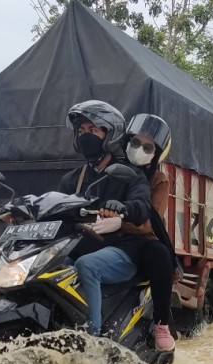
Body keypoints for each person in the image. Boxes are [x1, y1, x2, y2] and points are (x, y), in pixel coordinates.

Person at [55, 100, 153, 337]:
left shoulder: (129, 173)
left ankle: (93, 336)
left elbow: (142, 208)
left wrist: (123, 207)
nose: (85, 136)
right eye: (81, 131)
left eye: (92, 130)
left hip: (122, 250)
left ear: (110, 134)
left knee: (87, 265)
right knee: (51, 267)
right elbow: (54, 207)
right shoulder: (72, 179)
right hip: (82, 246)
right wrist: (22, 214)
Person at [123, 113, 181, 351]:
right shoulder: (108, 167)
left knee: (159, 254)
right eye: (135, 143)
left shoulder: (158, 180)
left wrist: (116, 221)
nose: (139, 149)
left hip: (138, 239)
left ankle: (161, 324)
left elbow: (149, 221)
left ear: (155, 154)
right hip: (101, 235)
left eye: (147, 147)